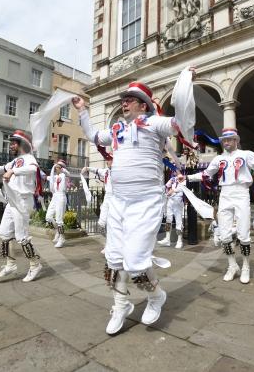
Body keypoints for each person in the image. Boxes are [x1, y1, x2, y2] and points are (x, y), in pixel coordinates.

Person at [72, 67, 196, 335]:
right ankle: (121, 304)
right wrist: (83, 110)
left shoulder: (154, 123)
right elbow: (92, 136)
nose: (123, 103)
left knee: (136, 261)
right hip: (117, 199)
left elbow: (180, 124)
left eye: (129, 99)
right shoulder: (116, 128)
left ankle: (155, 296)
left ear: (143, 105)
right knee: (114, 259)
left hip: (146, 200)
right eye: (122, 99)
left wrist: (185, 84)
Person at [188, 129, 254, 284]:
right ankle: (232, 265)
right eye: (224, 140)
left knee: (243, 233)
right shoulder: (219, 158)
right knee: (224, 234)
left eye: (230, 139)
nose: (226, 142)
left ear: (236, 140)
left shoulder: (246, 154)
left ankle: (245, 266)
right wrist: (187, 177)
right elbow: (206, 174)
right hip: (225, 193)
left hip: (241, 193)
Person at [0, 130, 43, 282]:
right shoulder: (15, 161)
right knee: (4, 233)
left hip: (22, 200)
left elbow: (34, 169)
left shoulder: (29, 158)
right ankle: (10, 264)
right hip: (12, 201)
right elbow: (3, 168)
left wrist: (14, 171)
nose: (11, 146)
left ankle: (35, 265)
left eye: (14, 143)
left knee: (22, 236)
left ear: (22, 144)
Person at [82, 157, 113, 234]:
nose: (107, 162)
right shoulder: (105, 171)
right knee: (101, 224)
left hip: (116, 197)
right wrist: (87, 168)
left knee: (114, 222)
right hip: (107, 197)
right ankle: (109, 242)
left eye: (109, 160)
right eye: (107, 160)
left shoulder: (118, 171)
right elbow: (96, 170)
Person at [158, 169, 186, 249]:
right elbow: (166, 187)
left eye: (176, 170)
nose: (174, 171)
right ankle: (167, 239)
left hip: (178, 201)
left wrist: (173, 190)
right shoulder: (172, 179)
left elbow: (183, 188)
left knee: (178, 221)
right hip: (170, 201)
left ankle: (179, 240)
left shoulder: (183, 179)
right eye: (174, 170)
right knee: (168, 220)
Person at [46, 160, 69, 248]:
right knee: (48, 217)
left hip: (61, 197)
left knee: (59, 219)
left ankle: (62, 238)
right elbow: (46, 177)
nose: (56, 169)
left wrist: (61, 166)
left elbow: (67, 173)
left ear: (62, 168)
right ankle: (57, 231)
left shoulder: (64, 175)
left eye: (58, 168)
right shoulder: (54, 177)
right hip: (55, 197)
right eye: (55, 168)